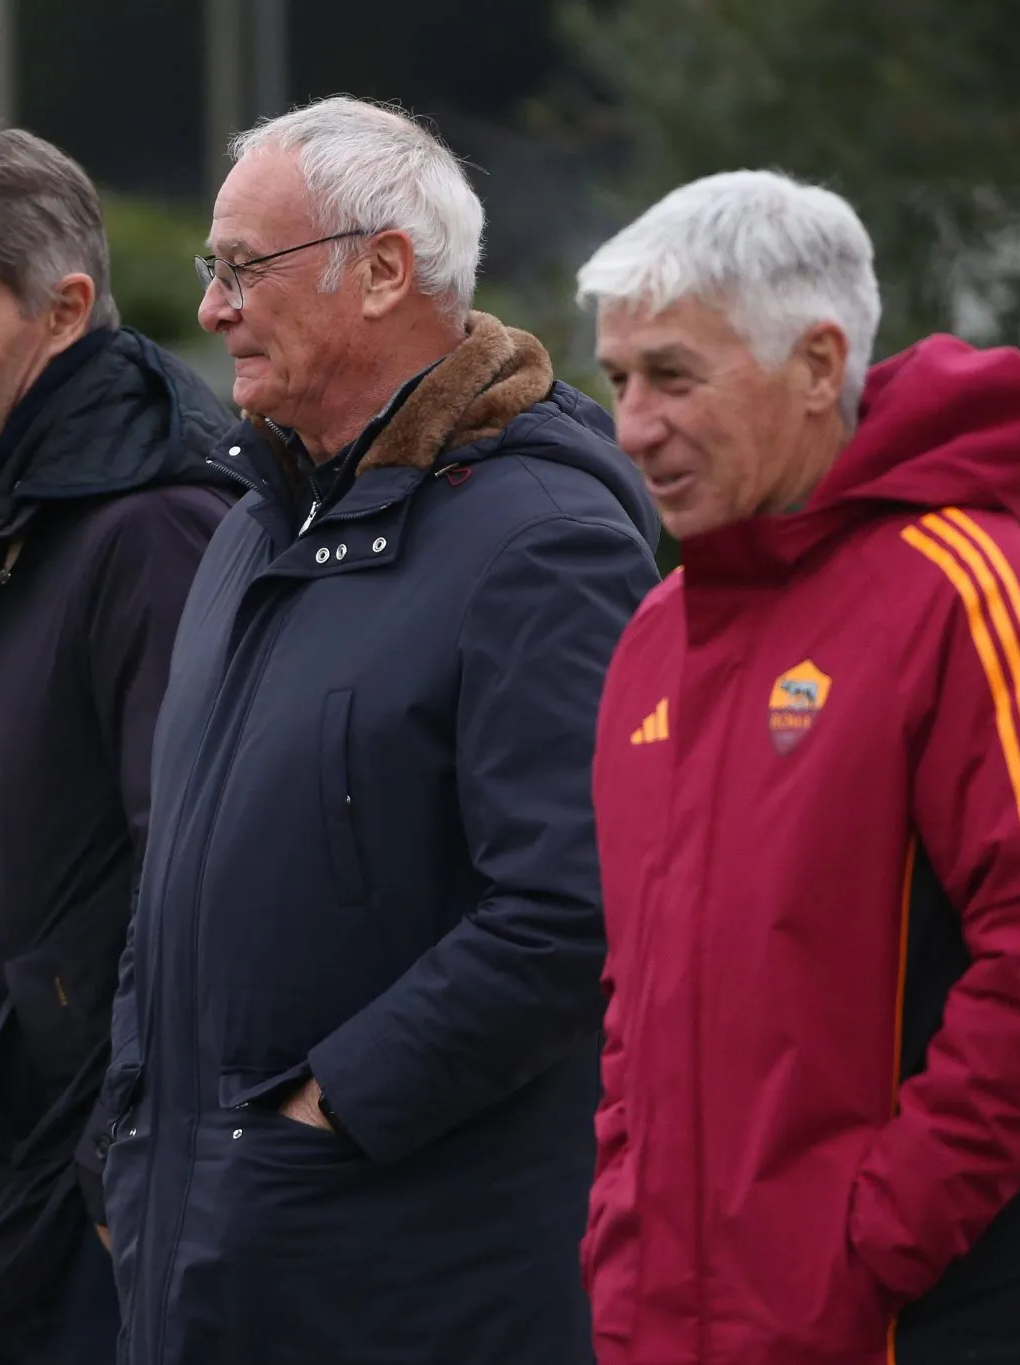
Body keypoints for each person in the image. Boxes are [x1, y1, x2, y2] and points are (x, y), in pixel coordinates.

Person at [89, 97, 661, 1365]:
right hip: (212, 1261)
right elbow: (175, 867)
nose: (210, 308)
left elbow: (575, 910)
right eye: (209, 270)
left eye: (242, 267)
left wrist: (320, 1115)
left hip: (401, 1285)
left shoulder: (543, 543)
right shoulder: (249, 528)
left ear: (385, 271)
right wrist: (128, 1135)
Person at [577, 171, 1020, 1364]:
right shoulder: (652, 641)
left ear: (813, 364)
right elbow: (637, 1010)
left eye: (674, 375)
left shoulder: (975, 594)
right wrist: (621, 1253)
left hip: (921, 1323)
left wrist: (862, 1249)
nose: (633, 425)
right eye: (618, 379)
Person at [0, 128, 235, 1365]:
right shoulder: (21, 519)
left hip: (75, 1242)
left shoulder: (151, 531)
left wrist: (109, 1180)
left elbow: (193, 894)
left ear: (63, 310)